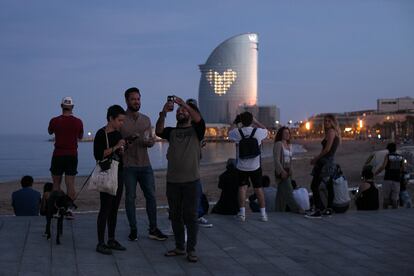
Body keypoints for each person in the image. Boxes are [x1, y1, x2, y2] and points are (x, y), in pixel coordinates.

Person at [156, 95, 206, 263]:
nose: (181, 111)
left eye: (184, 110)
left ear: (191, 114)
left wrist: (183, 103)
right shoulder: (172, 132)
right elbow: (158, 131)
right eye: (179, 111)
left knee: (190, 216)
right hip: (173, 182)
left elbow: (199, 120)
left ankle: (191, 250)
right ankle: (179, 247)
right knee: (175, 216)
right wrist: (164, 112)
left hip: (191, 181)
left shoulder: (197, 132)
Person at [120, 87, 167, 241]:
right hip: (128, 166)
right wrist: (128, 141)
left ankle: (153, 229)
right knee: (130, 198)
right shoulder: (121, 120)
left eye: (138, 99)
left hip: (145, 165)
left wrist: (150, 142)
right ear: (127, 101)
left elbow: (151, 140)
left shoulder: (146, 119)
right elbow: (117, 144)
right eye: (133, 99)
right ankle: (133, 229)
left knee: (151, 197)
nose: (136, 102)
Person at [94, 105, 127, 255]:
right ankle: (100, 242)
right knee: (105, 209)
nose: (121, 123)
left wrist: (122, 149)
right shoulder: (101, 134)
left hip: (119, 173)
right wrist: (116, 147)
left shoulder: (118, 134)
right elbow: (99, 155)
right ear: (110, 119)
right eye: (119, 120)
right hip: (107, 173)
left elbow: (120, 154)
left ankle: (111, 239)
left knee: (114, 209)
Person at [228, 112, 269, 222]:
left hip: (241, 166)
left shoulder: (237, 132)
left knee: (242, 188)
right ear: (251, 120)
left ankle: (242, 214)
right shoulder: (258, 132)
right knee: (258, 189)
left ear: (241, 121)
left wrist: (235, 122)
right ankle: (263, 214)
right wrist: (256, 122)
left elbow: (229, 133)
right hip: (255, 166)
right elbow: (266, 131)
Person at [48, 97, 83, 218]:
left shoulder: (54, 120)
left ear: (61, 106)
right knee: (70, 184)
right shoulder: (78, 122)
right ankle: (68, 210)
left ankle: (57, 209)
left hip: (58, 154)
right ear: (72, 107)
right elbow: (80, 136)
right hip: (72, 155)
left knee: (56, 184)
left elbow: (50, 132)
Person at [305, 114, 341, 218]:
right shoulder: (333, 132)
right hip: (328, 161)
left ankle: (319, 209)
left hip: (325, 162)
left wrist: (316, 159)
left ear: (333, 122)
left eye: (329, 121)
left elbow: (327, 149)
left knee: (314, 185)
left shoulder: (331, 132)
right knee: (329, 186)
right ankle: (328, 209)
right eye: (325, 121)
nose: (326, 123)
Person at [273, 127, 303, 213]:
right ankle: (297, 209)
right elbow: (276, 160)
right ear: (281, 134)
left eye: (288, 133)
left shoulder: (289, 145)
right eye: (285, 133)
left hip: (288, 172)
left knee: (281, 194)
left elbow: (290, 160)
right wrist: (281, 171)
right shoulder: (278, 144)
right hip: (282, 172)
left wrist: (291, 171)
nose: (287, 134)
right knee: (289, 191)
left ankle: (278, 211)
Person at [375, 142, 404, 209]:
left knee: (386, 198)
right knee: (395, 199)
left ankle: (385, 213)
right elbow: (402, 168)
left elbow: (383, 167)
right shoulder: (400, 157)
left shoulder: (388, 156)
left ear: (388, 149)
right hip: (397, 180)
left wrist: (375, 173)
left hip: (388, 178)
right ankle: (394, 213)